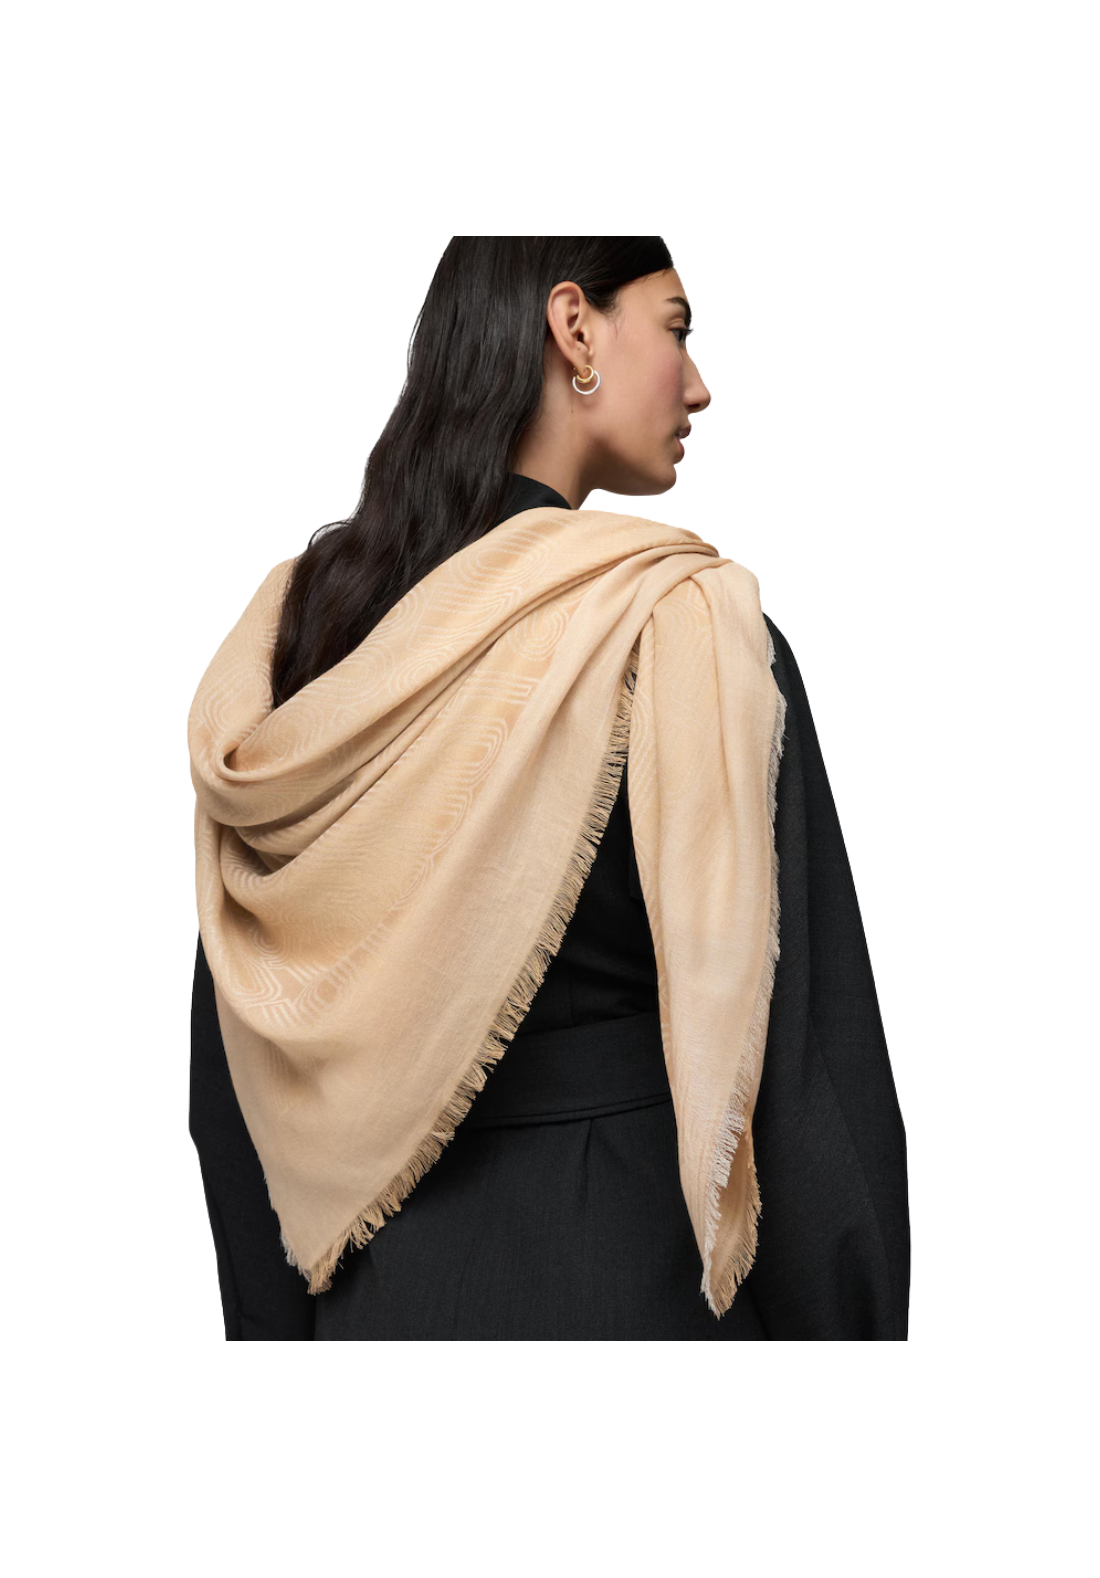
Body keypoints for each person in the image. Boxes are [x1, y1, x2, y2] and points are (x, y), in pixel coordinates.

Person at [189, 237, 909, 1340]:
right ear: (574, 327)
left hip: (376, 1310)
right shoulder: (685, 635)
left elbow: (239, 1047)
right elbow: (810, 1082)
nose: (698, 385)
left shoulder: (308, 639)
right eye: (675, 329)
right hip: (637, 1292)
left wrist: (287, 1342)